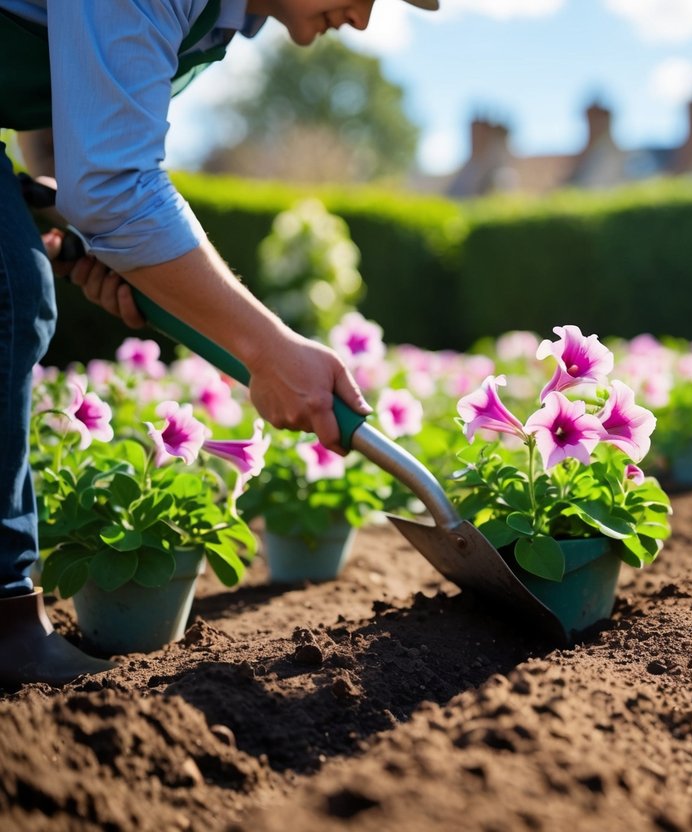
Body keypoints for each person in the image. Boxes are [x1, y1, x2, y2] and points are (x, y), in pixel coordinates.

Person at [0, 0, 439, 688]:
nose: (361, 19)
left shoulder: (226, 18)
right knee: (8, 294)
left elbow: (71, 129)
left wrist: (89, 230)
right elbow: (114, 184)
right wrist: (267, 350)